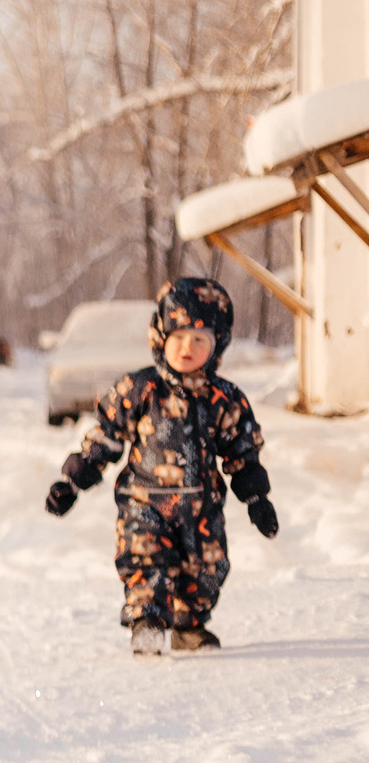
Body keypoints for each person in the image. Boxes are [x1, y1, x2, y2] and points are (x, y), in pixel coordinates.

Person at [45, 277, 279, 654]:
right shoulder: (139, 389)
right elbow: (104, 438)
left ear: (217, 346)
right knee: (145, 560)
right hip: (145, 503)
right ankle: (148, 623)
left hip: (202, 508)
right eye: (179, 337)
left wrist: (257, 500)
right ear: (161, 337)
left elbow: (241, 453)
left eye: (200, 339)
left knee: (207, 570)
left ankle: (188, 626)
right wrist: (71, 482)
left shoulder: (224, 399)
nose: (188, 347)